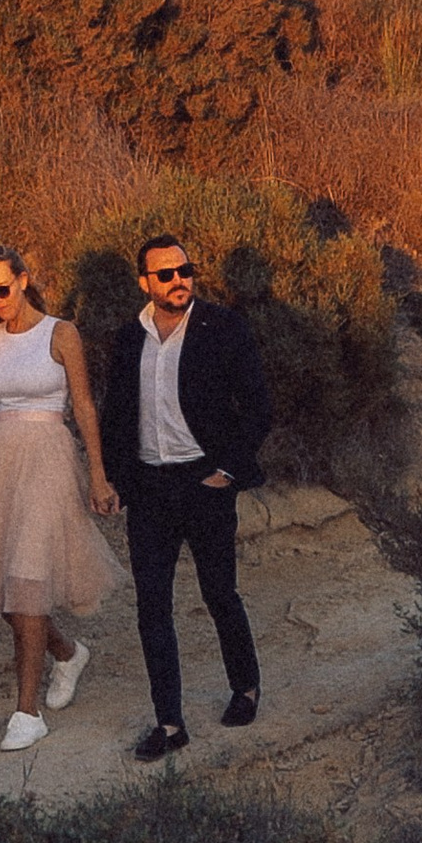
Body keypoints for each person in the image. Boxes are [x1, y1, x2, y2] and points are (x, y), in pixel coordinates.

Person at [0, 241, 121, 751]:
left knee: (28, 580)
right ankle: (68, 653)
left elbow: (84, 406)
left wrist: (98, 476)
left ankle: (26, 712)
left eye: (3, 288)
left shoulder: (60, 333)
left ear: (23, 279)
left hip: (47, 457)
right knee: (3, 588)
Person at [97, 233, 270, 760]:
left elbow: (259, 407)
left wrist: (227, 472)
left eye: (185, 270)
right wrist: (113, 479)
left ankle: (246, 687)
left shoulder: (224, 328)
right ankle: (170, 724)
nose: (179, 281)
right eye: (166, 274)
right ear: (145, 282)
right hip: (150, 489)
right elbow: (116, 415)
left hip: (204, 482)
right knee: (152, 607)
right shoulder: (130, 337)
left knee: (219, 593)